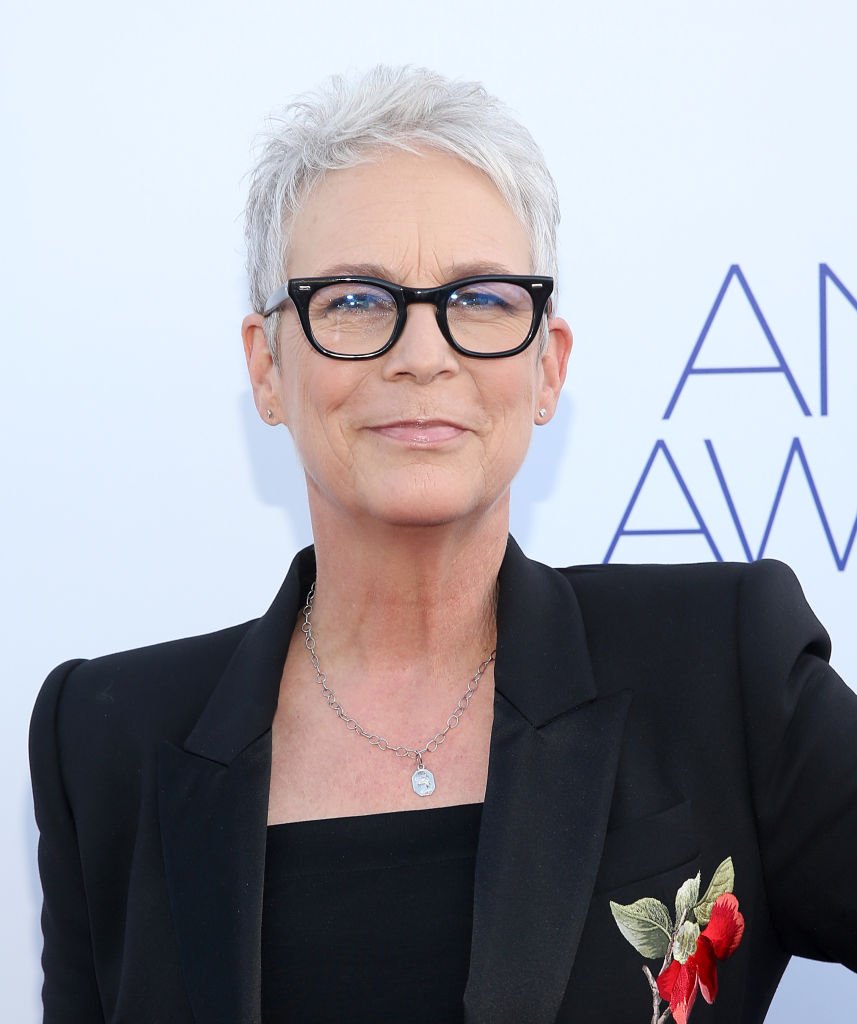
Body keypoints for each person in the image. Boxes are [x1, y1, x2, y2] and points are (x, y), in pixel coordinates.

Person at [29, 65, 857, 1024]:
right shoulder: (105, 736)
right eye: (351, 302)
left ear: (546, 369)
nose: (422, 355)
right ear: (267, 366)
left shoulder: (722, 666)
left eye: (481, 300)